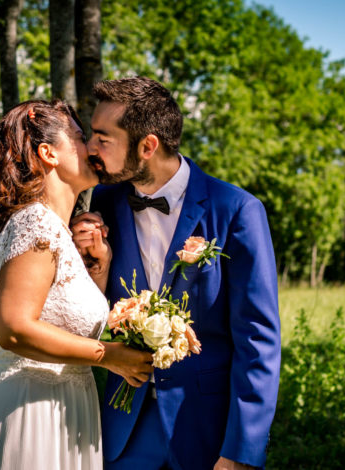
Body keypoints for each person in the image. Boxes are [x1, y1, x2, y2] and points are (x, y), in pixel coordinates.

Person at [72, 77, 281, 470]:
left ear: (147, 146)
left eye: (103, 138)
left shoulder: (236, 210)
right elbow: (92, 313)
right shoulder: (103, 203)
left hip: (207, 430)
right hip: (124, 429)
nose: (91, 149)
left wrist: (241, 451)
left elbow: (258, 339)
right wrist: (96, 267)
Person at [0, 100, 153, 470]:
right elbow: (13, 329)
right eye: (82, 138)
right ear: (48, 153)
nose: (93, 148)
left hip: (68, 409)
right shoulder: (35, 224)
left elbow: (60, 319)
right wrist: (108, 355)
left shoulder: (58, 231)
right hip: (32, 414)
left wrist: (99, 269)